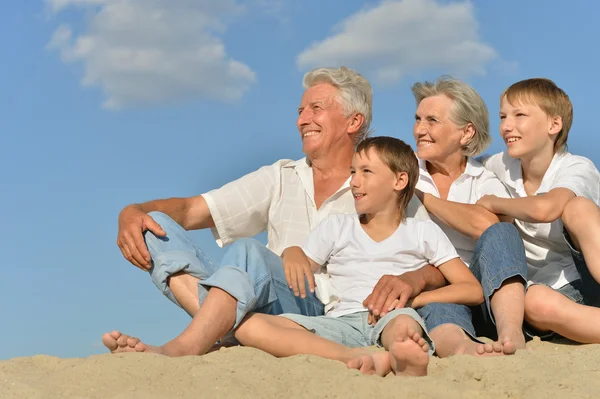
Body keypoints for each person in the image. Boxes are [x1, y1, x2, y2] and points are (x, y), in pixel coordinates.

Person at [102, 66, 442, 356]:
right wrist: (132, 211)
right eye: (300, 111)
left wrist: (415, 278)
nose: (302, 120)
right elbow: (193, 210)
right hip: (261, 299)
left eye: (315, 108)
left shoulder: (387, 183)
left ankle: (198, 341)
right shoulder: (280, 177)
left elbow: (438, 258)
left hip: (329, 314)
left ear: (354, 121)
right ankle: (233, 328)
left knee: (249, 250)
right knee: (153, 225)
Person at [233, 136, 484, 377]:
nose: (354, 181)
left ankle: (404, 359)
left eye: (366, 171)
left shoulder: (422, 231)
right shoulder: (337, 226)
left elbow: (472, 289)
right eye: (353, 172)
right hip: (341, 321)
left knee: (404, 329)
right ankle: (351, 356)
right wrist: (292, 251)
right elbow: (302, 268)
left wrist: (417, 300)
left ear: (399, 180)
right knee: (247, 326)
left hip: (393, 317)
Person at [378, 76, 529, 358]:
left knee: (504, 233)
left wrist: (425, 198)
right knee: (441, 304)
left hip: (487, 294)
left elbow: (489, 227)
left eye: (432, 120)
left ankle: (511, 335)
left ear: (466, 132)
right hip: (434, 291)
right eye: (418, 119)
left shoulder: (483, 178)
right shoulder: (402, 171)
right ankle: (469, 351)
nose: (420, 129)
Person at [477, 78, 600, 342]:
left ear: (554, 125)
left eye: (519, 115)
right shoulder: (497, 165)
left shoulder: (576, 167)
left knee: (577, 207)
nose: (506, 126)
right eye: (503, 116)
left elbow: (546, 208)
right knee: (533, 302)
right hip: (549, 295)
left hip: (589, 277)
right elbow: (457, 167)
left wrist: (494, 202)